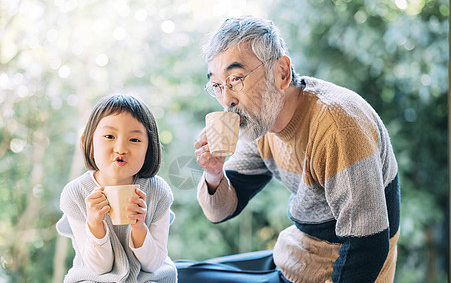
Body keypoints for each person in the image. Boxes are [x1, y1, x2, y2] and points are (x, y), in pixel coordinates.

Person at [190, 16, 400, 282]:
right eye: (218, 86)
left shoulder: (337, 125)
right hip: (295, 255)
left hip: (334, 271)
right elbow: (222, 211)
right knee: (178, 273)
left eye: (236, 79)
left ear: (281, 73)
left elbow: (367, 247)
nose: (227, 99)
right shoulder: (260, 124)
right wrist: (214, 174)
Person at [56, 94, 177, 283]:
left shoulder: (158, 192)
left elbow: (153, 265)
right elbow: (99, 268)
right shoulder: (75, 194)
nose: (120, 148)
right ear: (88, 142)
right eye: (109, 136)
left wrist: (139, 227)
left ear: (149, 148)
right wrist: (95, 224)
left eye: (135, 140)